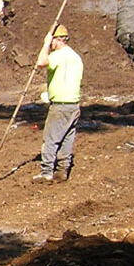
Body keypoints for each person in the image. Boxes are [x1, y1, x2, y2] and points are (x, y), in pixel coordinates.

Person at [33, 23, 83, 183]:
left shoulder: (58, 55)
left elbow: (40, 62)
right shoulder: (76, 57)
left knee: (51, 138)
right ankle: (62, 170)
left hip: (60, 104)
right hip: (74, 104)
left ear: (57, 40)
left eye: (53, 40)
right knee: (67, 138)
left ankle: (46, 171)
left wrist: (46, 44)